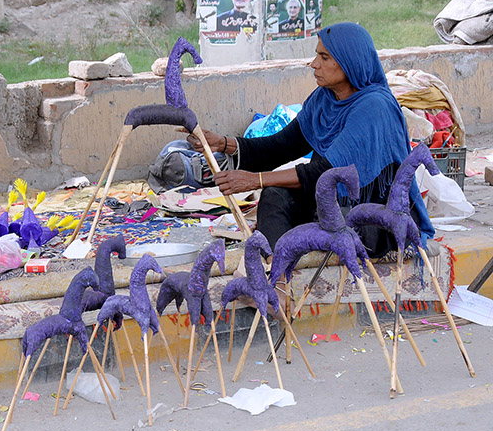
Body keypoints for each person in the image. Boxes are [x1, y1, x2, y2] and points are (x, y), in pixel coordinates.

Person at [186, 23, 434, 257]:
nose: (314, 64)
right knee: (275, 196)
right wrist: (223, 143)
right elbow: (281, 147)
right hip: (329, 202)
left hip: (375, 215)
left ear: (350, 62)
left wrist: (255, 180)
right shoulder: (323, 99)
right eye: (317, 55)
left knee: (338, 222)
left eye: (324, 58)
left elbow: (326, 172)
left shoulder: (375, 106)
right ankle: (275, 274)